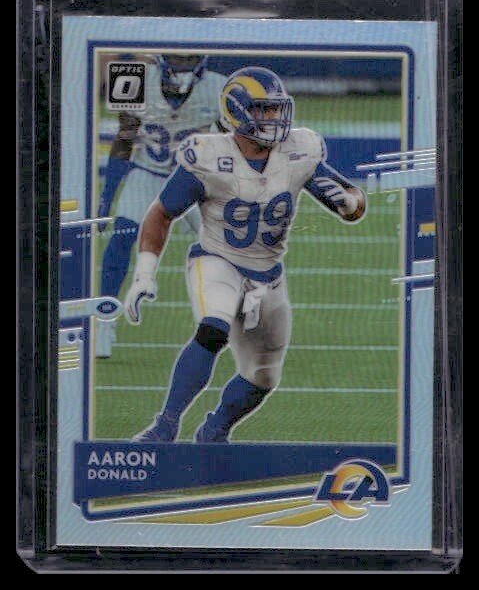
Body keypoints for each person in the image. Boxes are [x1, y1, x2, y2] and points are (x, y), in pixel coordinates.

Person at [123, 65, 366, 443]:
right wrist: (144, 274)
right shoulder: (208, 156)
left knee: (264, 374)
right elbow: (161, 213)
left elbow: (353, 202)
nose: (272, 118)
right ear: (236, 111)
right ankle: (165, 426)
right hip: (217, 259)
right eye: (262, 109)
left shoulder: (299, 150)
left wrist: (350, 203)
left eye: (276, 108)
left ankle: (215, 428)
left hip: (268, 274)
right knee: (213, 329)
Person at [95, 54, 228, 358]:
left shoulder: (219, 87)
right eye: (179, 57)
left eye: (189, 57)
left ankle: (231, 319)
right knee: (121, 237)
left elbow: (230, 144)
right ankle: (104, 321)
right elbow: (124, 141)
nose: (183, 63)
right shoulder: (136, 78)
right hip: (148, 173)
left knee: (228, 247)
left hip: (194, 177)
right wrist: (107, 197)